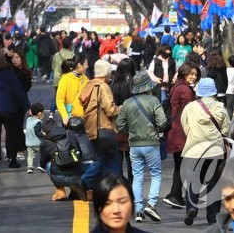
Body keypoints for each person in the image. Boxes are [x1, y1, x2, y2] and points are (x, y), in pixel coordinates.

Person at [116, 70, 169, 223]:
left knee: (137, 176)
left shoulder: (127, 103)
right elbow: (162, 122)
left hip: (134, 145)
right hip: (151, 144)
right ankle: (151, 204)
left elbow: (119, 124)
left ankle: (138, 210)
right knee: (156, 174)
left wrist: (130, 131)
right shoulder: (153, 101)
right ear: (148, 86)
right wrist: (157, 130)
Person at [179, 77, 230, 226]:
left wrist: (193, 135)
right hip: (215, 151)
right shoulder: (220, 107)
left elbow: (185, 125)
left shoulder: (190, 107)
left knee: (193, 182)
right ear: (213, 91)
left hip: (194, 151)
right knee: (214, 184)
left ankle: (191, 208)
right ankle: (213, 218)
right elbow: (226, 129)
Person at [0, 49, 31, 172]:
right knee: (11, 134)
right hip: (9, 109)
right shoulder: (10, 75)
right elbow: (19, 92)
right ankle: (12, 159)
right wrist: (27, 106)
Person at [80, 58, 122, 191]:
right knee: (112, 162)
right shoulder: (103, 87)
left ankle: (85, 183)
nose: (111, 76)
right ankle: (111, 189)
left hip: (92, 129)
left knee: (102, 160)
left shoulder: (89, 85)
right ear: (106, 73)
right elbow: (110, 110)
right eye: (110, 73)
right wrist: (121, 108)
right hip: (105, 129)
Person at [164, 62, 201, 210]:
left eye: (195, 75)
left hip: (175, 131)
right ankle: (176, 195)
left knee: (180, 165)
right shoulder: (185, 90)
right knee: (185, 165)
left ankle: (175, 195)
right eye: (191, 74)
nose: (193, 77)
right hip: (182, 132)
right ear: (184, 73)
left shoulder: (177, 87)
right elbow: (189, 113)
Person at [57, 54, 89, 122]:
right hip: (70, 118)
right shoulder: (65, 79)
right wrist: (65, 116)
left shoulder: (85, 78)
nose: (87, 66)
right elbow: (59, 100)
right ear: (79, 65)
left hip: (84, 117)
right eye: (86, 64)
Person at [25, 102, 45, 173]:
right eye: (42, 112)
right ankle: (41, 165)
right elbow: (38, 132)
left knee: (30, 156)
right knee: (44, 153)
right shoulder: (38, 122)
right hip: (38, 143)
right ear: (39, 113)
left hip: (29, 143)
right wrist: (44, 135)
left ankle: (30, 168)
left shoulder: (28, 120)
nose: (43, 114)